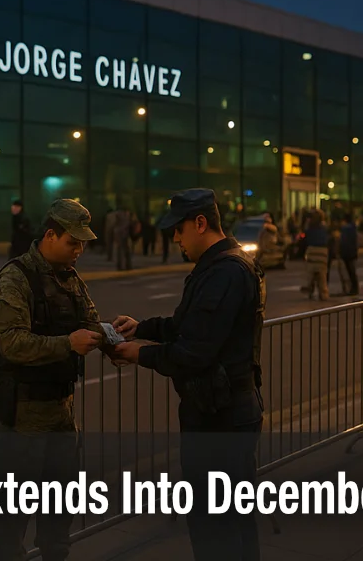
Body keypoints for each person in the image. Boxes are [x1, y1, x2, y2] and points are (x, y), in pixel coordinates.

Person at [111, 189, 265, 561]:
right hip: (226, 412)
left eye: (179, 230)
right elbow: (186, 326)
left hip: (220, 419)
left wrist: (140, 353)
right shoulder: (221, 266)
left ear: (200, 223)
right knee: (234, 520)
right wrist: (142, 327)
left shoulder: (224, 272)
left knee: (215, 528)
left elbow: (194, 353)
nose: (175, 239)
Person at [0, 199, 111, 561]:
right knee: (11, 524)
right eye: (73, 243)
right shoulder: (16, 277)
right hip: (24, 420)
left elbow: (89, 319)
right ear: (50, 235)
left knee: (58, 521)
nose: (79, 251)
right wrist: (66, 344)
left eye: (83, 243)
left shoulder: (68, 277)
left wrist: (106, 339)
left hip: (60, 414)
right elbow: (11, 343)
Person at [300, 211, 329, 300]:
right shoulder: (324, 228)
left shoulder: (309, 228)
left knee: (311, 273)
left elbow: (304, 239)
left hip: (311, 251)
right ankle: (323, 294)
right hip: (322, 252)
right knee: (322, 275)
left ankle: (310, 290)